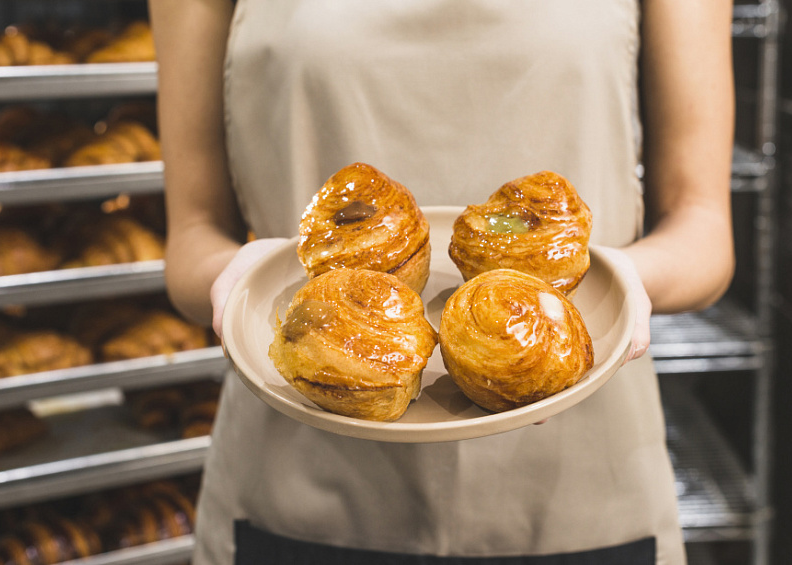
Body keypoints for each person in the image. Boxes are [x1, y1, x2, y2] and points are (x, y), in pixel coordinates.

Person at [149, 1, 735, 563]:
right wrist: (238, 281)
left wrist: (627, 278)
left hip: (581, 483)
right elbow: (193, 235)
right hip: (297, 477)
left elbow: (703, 230)